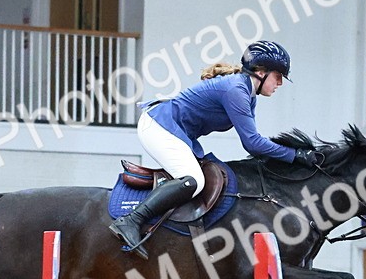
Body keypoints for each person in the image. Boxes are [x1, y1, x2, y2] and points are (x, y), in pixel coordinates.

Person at [108, 40, 322, 256]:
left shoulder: (247, 94)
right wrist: (296, 155)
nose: (280, 84)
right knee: (193, 180)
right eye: (278, 77)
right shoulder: (236, 90)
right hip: (159, 126)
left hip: (176, 131)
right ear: (260, 71)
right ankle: (131, 221)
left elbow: (255, 142)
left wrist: (293, 156)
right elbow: (253, 143)